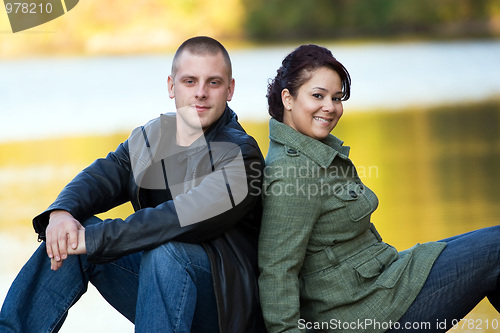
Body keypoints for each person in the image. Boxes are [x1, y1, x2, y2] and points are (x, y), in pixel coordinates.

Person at [0, 36, 266, 332]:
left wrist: (96, 238)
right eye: (190, 81)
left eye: (213, 83)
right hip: (162, 288)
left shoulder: (242, 157)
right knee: (73, 234)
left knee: (165, 251)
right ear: (171, 85)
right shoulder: (153, 137)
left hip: (223, 310)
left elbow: (175, 219)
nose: (200, 93)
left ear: (230, 89)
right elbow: (102, 175)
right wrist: (62, 213)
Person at [257, 44, 500, 333]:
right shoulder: (292, 171)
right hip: (367, 316)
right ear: (288, 98)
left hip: (386, 283)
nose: (330, 107)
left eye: (336, 98)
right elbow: (277, 271)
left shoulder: (316, 154)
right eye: (318, 96)